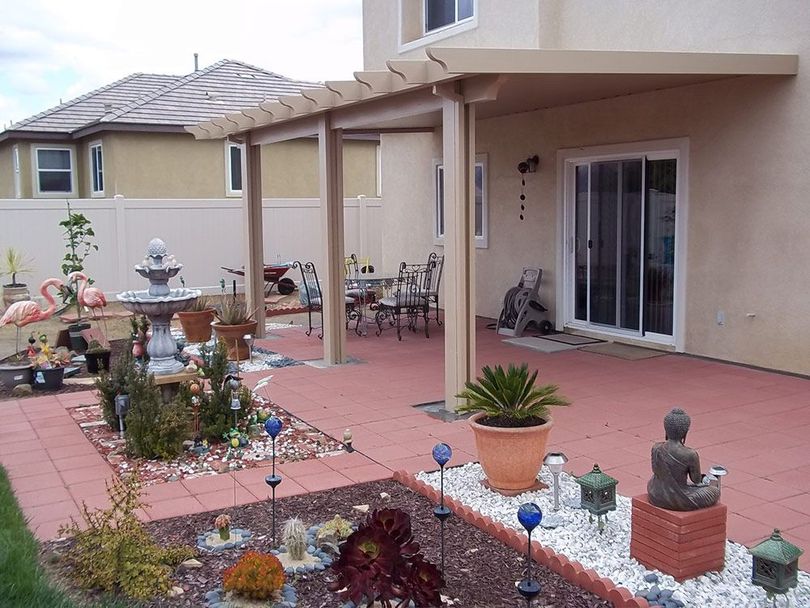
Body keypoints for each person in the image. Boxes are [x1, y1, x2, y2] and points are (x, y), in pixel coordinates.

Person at [647, 408, 720, 511]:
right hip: (679, 498)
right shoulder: (690, 454)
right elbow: (696, 480)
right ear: (685, 432)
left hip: (655, 492)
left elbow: (656, 471)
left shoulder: (656, 448)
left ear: (666, 430)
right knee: (714, 491)